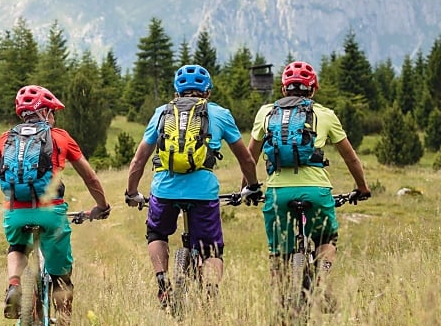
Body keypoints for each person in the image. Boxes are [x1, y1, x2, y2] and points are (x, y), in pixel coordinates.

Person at [123, 64, 261, 307]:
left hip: (164, 189)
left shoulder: (161, 113)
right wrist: (251, 186)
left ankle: (163, 282)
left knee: (157, 232)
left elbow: (139, 159)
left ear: (177, 91)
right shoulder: (219, 113)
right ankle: (210, 295)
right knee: (211, 249)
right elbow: (246, 158)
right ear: (207, 92)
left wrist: (132, 192)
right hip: (203, 191)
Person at [0, 84, 111, 326]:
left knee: (17, 246)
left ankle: (14, 284)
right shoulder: (60, 137)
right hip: (51, 213)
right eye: (52, 113)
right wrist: (102, 205)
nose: (53, 117)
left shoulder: (5, 139)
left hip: (16, 213)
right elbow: (90, 177)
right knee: (61, 277)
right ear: (45, 113)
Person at [246, 60, 371, 306]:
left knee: (279, 253)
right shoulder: (325, 115)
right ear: (313, 90)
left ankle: (282, 303)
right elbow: (351, 157)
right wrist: (362, 188)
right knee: (326, 239)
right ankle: (320, 281)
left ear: (283, 90)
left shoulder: (266, 113)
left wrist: (249, 187)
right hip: (316, 192)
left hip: (277, 193)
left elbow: (249, 158)